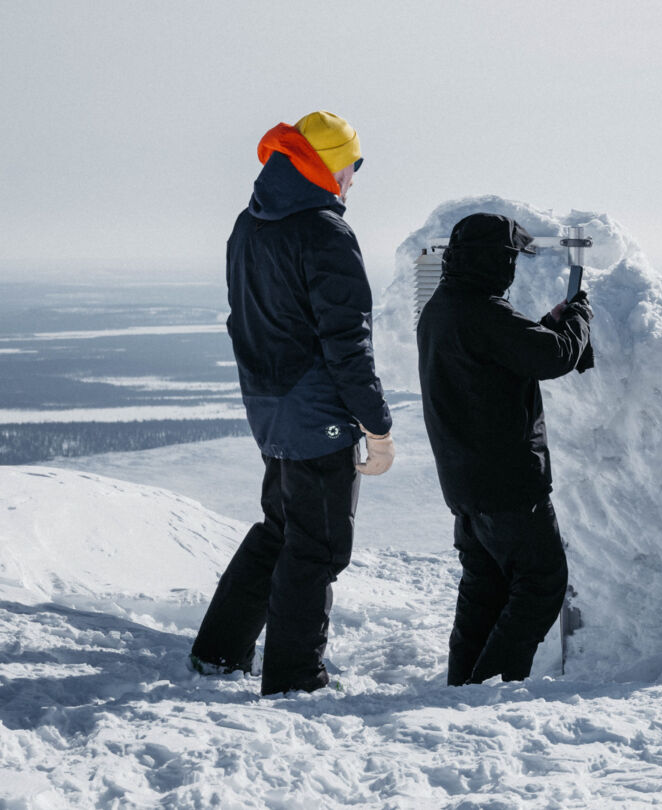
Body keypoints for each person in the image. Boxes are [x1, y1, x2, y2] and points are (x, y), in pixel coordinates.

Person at [190, 110, 394, 695]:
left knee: (281, 527)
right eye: (351, 166)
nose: (353, 179)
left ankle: (219, 652)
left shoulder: (249, 224)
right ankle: (294, 678)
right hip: (316, 410)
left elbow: (243, 318)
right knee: (319, 545)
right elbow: (347, 343)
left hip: (268, 400)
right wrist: (376, 427)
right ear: (330, 165)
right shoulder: (324, 232)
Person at [417, 212, 594, 686]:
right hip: (509, 483)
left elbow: (499, 357)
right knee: (541, 585)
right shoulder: (484, 311)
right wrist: (577, 316)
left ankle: (464, 687)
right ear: (498, 262)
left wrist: (546, 326)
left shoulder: (443, 307)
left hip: (465, 484)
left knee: (485, 589)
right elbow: (553, 357)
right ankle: (490, 685)